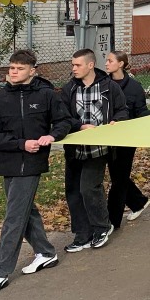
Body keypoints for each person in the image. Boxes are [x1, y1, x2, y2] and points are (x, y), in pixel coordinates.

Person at [0, 49, 73, 295]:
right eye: (11, 68)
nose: (14, 72)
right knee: (24, 210)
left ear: (33, 70)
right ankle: (46, 253)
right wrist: (21, 144)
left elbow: (64, 121)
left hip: (32, 164)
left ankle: (0, 272)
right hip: (8, 162)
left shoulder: (46, 95)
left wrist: (51, 136)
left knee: (14, 216)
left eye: (19, 68)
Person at [61, 48, 128, 252]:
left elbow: (123, 110)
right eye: (72, 65)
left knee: (89, 188)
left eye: (77, 65)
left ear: (90, 65)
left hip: (98, 149)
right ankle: (82, 234)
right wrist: (79, 126)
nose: (73, 69)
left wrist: (117, 121)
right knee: (74, 192)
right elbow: (62, 116)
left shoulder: (109, 87)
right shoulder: (69, 89)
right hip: (75, 148)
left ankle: (101, 227)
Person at [105, 51, 150, 229]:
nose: (107, 63)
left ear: (121, 64)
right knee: (119, 176)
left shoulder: (134, 87)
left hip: (127, 139)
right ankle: (138, 202)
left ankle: (112, 221)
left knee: (118, 180)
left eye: (110, 61)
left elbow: (141, 111)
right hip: (108, 138)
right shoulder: (103, 84)